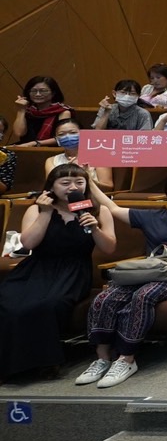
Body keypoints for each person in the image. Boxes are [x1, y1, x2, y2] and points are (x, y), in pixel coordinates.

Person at [78, 171, 167, 389]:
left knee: (144, 295)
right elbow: (113, 208)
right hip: (153, 270)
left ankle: (126, 359)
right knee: (106, 297)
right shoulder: (154, 216)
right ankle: (103, 358)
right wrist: (88, 181)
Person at [0, 163, 117, 380]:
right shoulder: (36, 208)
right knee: (8, 302)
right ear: (51, 187)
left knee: (46, 305)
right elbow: (28, 244)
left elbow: (109, 248)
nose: (72, 187)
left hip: (73, 271)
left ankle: (44, 362)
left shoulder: (99, 210)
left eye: (79, 183)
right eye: (65, 183)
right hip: (36, 268)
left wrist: (94, 228)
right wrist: (45, 213)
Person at [10, 75, 69, 147]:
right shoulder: (28, 111)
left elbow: (64, 137)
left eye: (43, 91)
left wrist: (35, 143)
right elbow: (19, 133)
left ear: (53, 93)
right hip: (25, 147)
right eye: (34, 91)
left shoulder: (63, 112)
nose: (38, 94)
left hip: (51, 149)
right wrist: (21, 110)